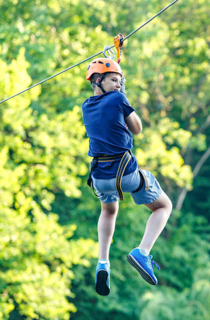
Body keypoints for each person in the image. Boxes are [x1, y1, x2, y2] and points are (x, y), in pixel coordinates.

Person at [81, 57, 172, 296]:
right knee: (163, 206)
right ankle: (142, 252)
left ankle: (103, 262)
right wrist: (125, 99)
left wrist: (116, 79)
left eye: (120, 82)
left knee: (108, 211)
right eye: (114, 80)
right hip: (125, 173)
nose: (118, 85)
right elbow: (137, 128)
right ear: (98, 80)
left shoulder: (86, 106)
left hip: (100, 177)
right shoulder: (119, 99)